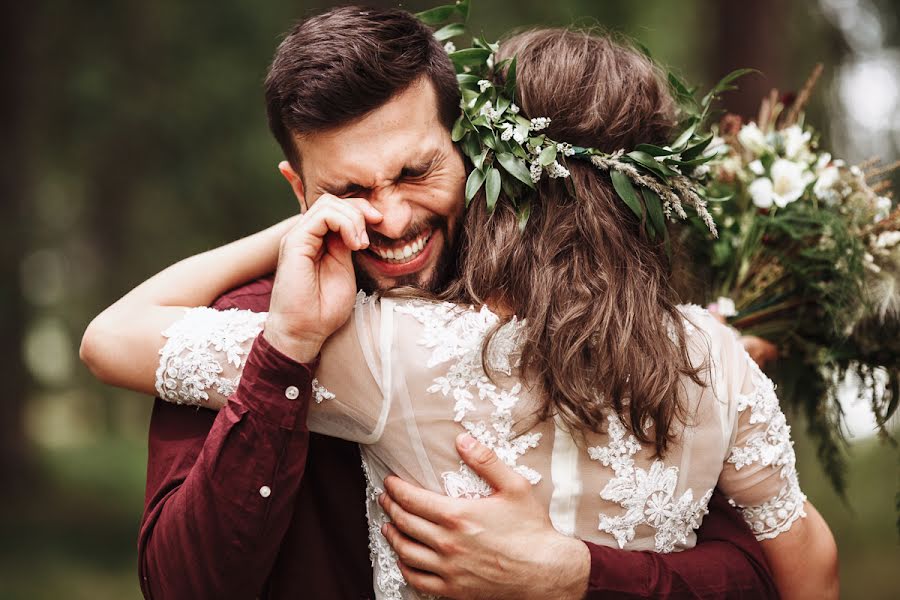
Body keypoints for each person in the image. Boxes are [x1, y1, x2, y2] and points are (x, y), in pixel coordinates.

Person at [79, 7, 831, 600]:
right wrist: (293, 282)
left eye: (416, 171)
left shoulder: (395, 350)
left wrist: (577, 574)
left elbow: (112, 338)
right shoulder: (716, 358)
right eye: (349, 191)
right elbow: (806, 572)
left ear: (476, 155)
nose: (393, 219)